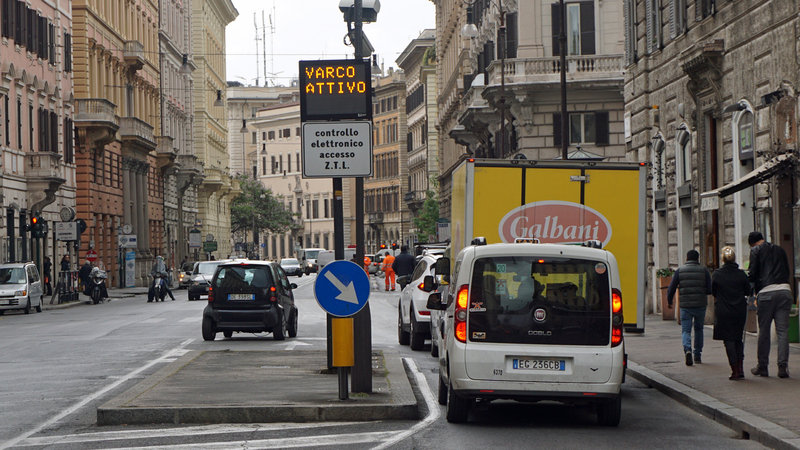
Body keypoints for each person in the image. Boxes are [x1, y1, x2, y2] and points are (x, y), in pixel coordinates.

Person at [747, 231, 792, 378]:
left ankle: (763, 366)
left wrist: (749, 289)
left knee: (764, 330)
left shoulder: (755, 250)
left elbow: (753, 273)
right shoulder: (780, 249)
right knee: (783, 331)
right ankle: (782, 367)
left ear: (752, 243)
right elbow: (787, 270)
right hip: (784, 291)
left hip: (766, 292)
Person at [667, 249, 712, 366]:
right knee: (699, 329)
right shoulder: (704, 270)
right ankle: (697, 355)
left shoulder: (680, 271)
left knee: (686, 330)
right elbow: (710, 289)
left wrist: (669, 300)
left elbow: (671, 287)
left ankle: (687, 350)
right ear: (698, 259)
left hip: (686, 305)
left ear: (686, 259)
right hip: (700, 305)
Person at [711, 246, 750, 380]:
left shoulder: (717, 274)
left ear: (723, 259)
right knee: (738, 339)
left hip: (724, 310)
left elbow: (713, 292)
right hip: (739, 310)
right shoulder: (740, 274)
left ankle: (734, 370)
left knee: (728, 340)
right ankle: (740, 367)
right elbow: (748, 291)